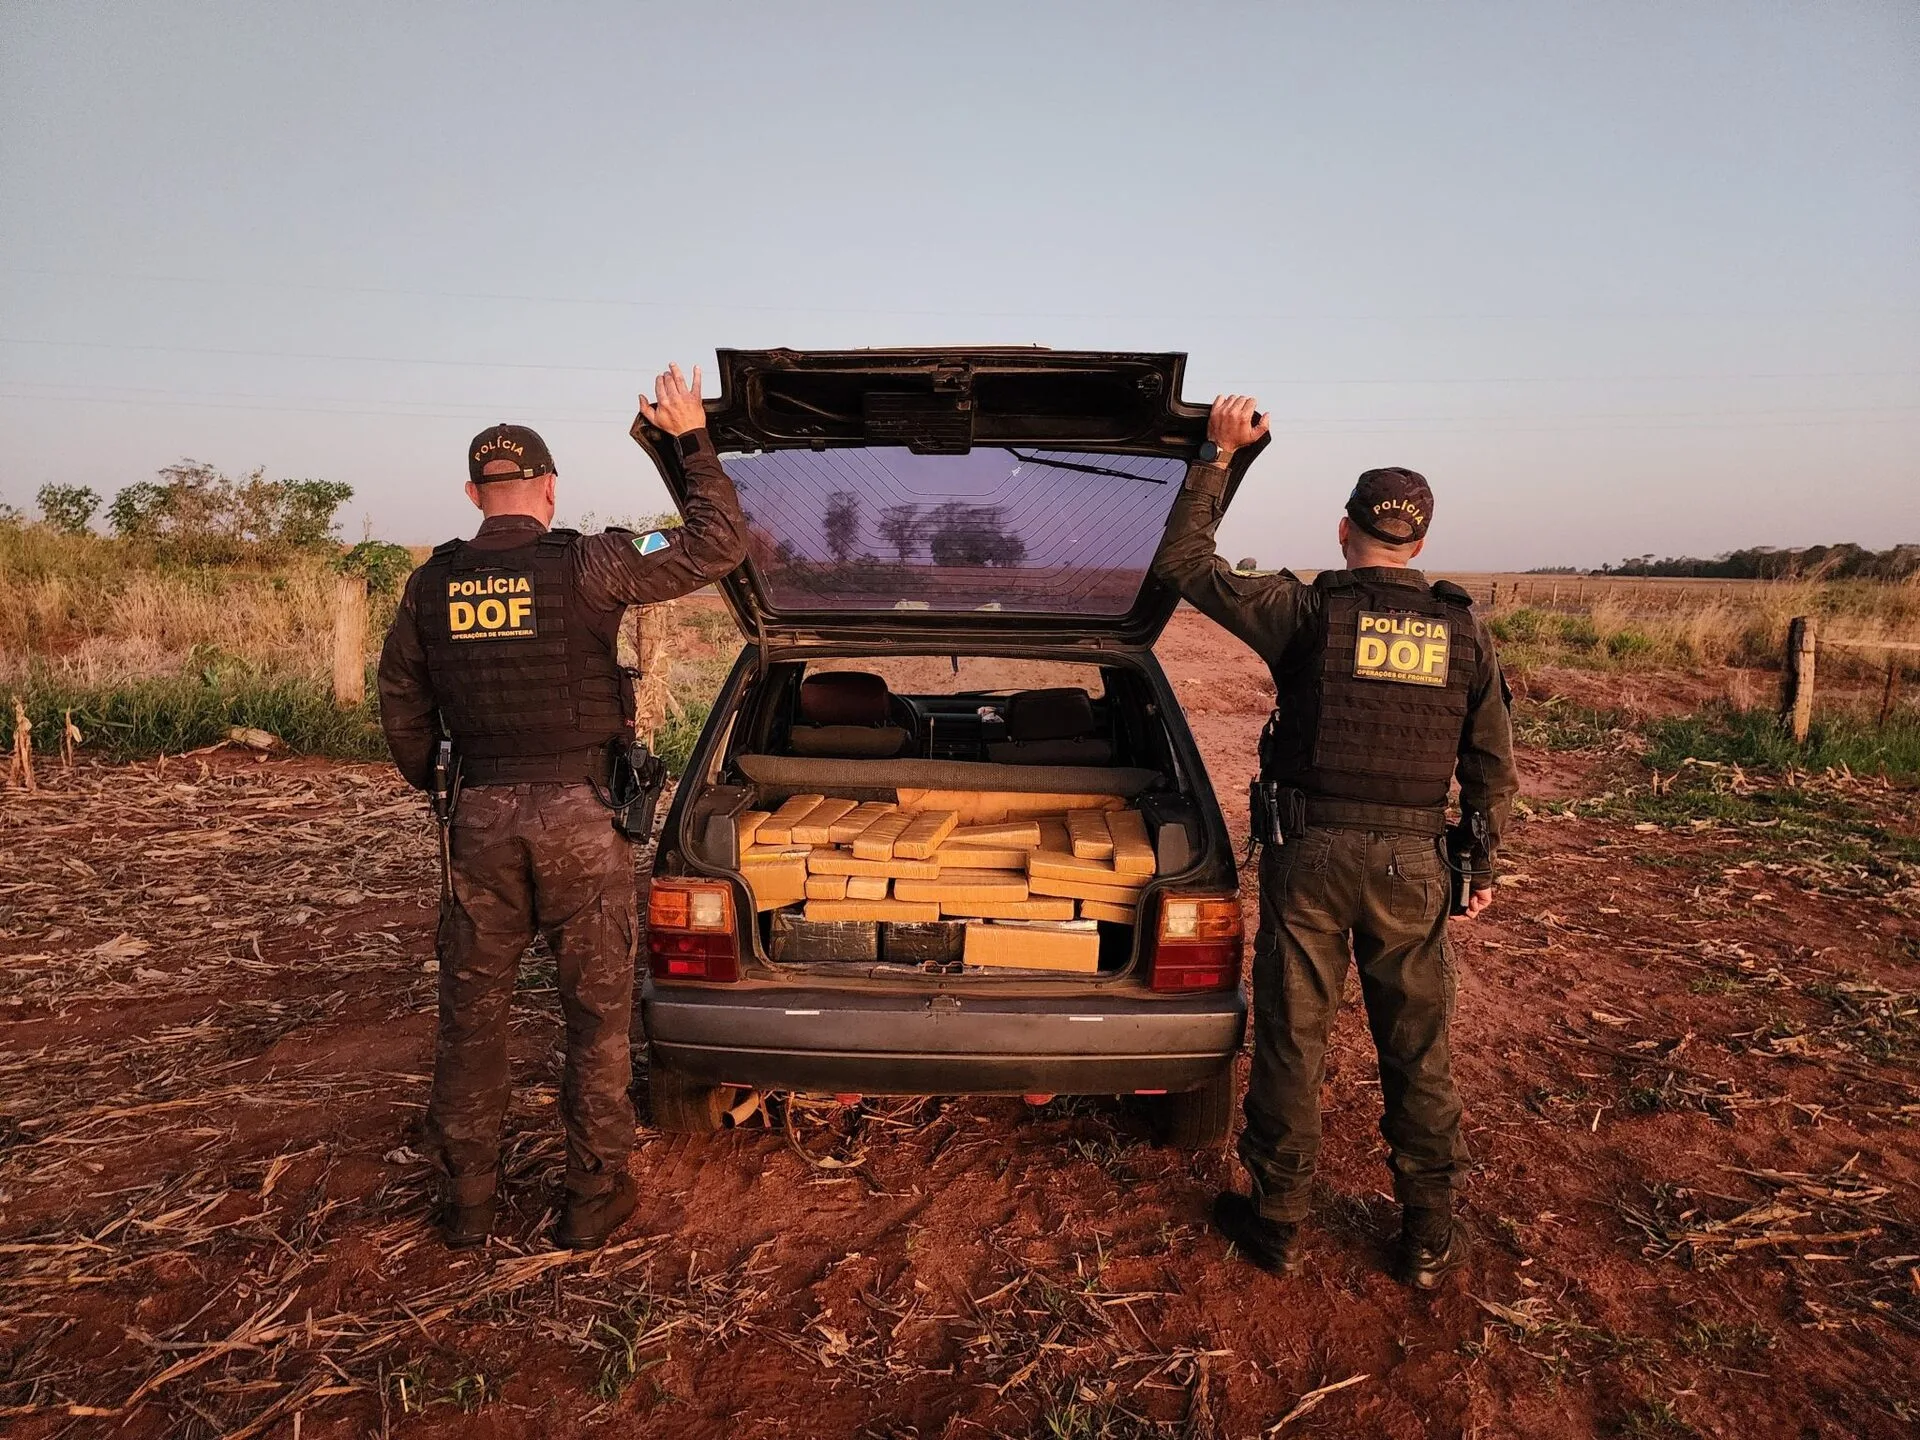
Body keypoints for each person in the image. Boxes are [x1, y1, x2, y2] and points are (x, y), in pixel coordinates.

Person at [1151, 396, 1518, 1289]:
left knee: (1291, 1038)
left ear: (1344, 529)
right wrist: (1481, 865)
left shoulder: (1307, 611)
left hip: (1310, 854)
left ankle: (1276, 1221)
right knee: (1418, 1048)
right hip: (1414, 864)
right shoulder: (1464, 630)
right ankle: (1427, 1237)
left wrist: (1217, 454)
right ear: (1421, 546)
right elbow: (1490, 768)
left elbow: (1182, 563)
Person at [378, 365, 748, 1250]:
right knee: (594, 1014)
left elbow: (402, 709)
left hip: (479, 819)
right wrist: (691, 438)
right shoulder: (588, 563)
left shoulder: (431, 587)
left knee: (471, 1017)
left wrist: (443, 788)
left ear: (475, 493)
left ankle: (467, 1201)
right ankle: (592, 1195)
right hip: (581, 816)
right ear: (548, 489)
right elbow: (717, 543)